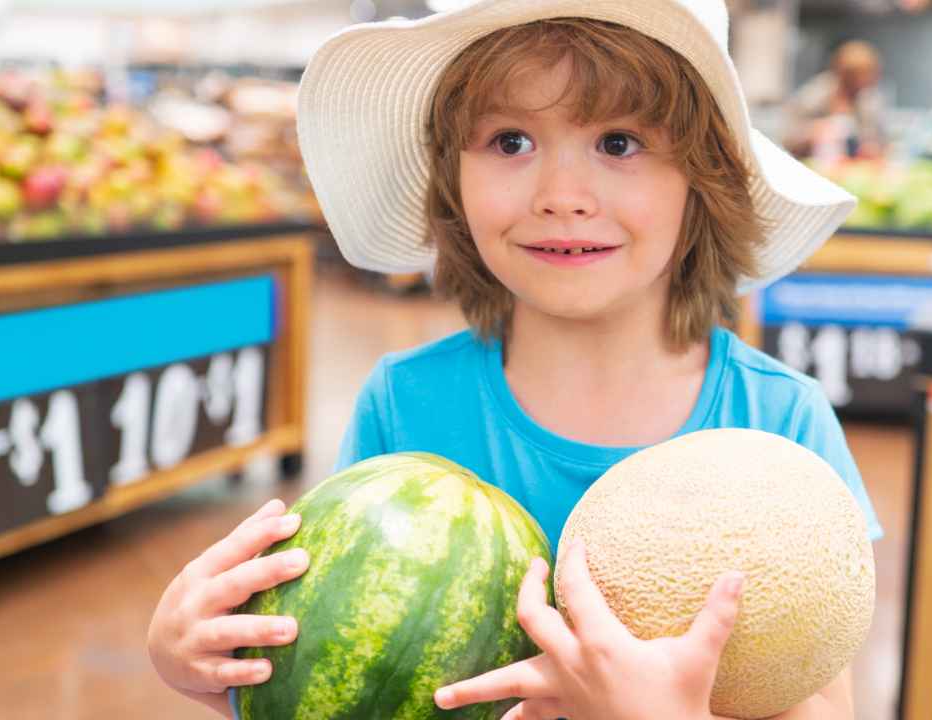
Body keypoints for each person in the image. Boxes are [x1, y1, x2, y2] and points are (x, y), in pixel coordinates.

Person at [147, 2, 883, 718]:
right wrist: (219, 663)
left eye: (619, 143)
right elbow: (343, 681)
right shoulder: (403, 405)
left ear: (704, 181)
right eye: (509, 142)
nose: (562, 197)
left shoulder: (780, 423)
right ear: (451, 179)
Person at [784, 40, 887, 161]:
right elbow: (788, 139)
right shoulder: (815, 96)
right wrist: (813, 132)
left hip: (853, 170)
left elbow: (880, 142)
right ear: (844, 74)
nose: (868, 81)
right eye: (861, 76)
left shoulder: (868, 101)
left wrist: (872, 148)